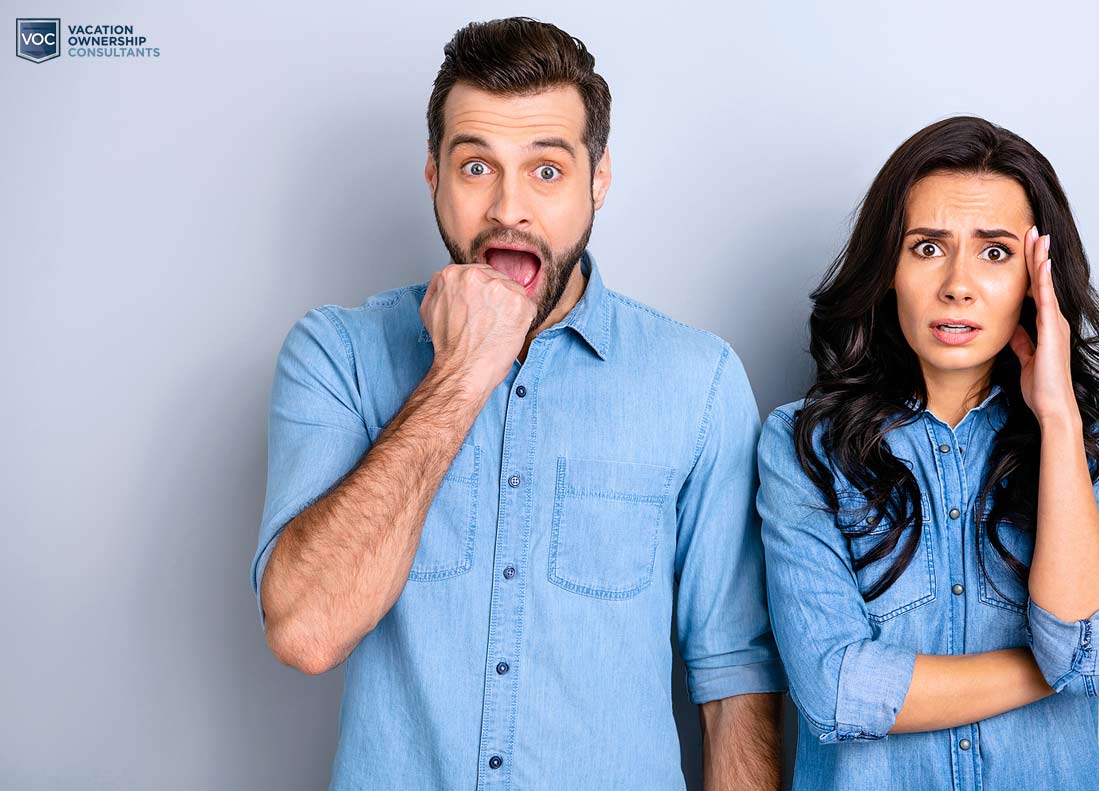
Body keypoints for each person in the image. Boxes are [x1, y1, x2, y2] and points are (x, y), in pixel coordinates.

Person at [251, 17, 785, 791]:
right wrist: (462, 372)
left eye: (545, 170)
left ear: (598, 179)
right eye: (475, 167)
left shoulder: (697, 381)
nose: (509, 209)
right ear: (432, 176)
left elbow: (734, 675)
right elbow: (305, 630)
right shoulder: (337, 356)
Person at [757, 116, 1099, 790]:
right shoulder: (803, 445)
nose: (957, 283)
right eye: (926, 247)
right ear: (887, 267)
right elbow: (836, 691)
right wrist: (1063, 660)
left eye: (995, 253)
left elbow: (1089, 658)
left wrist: (1058, 418)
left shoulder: (1097, 439)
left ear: (1039, 282)